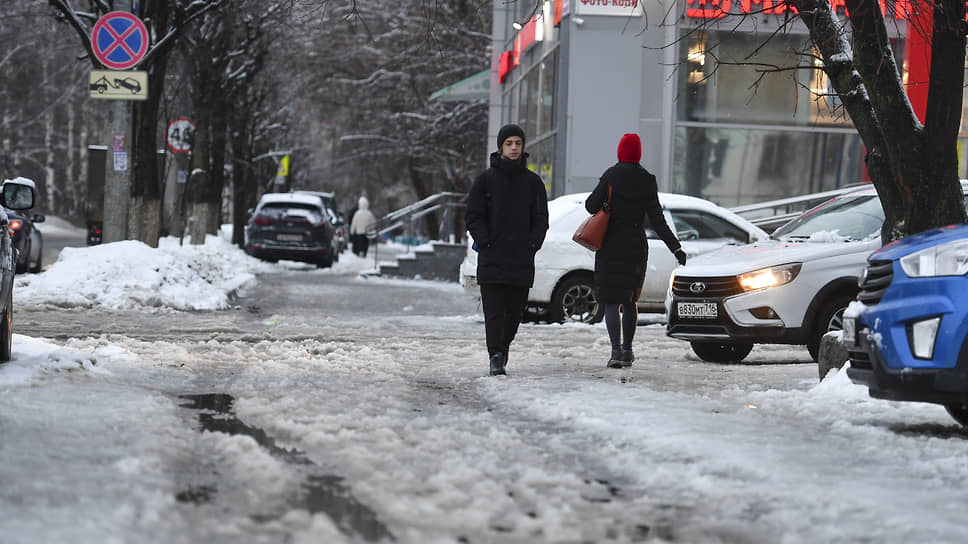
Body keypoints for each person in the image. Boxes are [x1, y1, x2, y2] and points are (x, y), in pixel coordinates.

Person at [585, 133, 686, 368]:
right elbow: (658, 220)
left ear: (620, 152)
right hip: (635, 248)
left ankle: (615, 352)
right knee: (630, 301)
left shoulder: (610, 176)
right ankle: (628, 351)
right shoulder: (647, 180)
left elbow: (591, 206)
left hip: (610, 246)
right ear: (638, 154)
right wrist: (676, 248)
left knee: (611, 302)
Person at [465, 123, 549, 376]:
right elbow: (473, 215)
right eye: (509, 143)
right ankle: (495, 355)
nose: (514, 148)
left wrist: (532, 244)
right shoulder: (486, 181)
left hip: (521, 259)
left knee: (513, 314)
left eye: (518, 143)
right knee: (494, 313)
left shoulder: (533, 183)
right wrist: (485, 240)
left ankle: (504, 347)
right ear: (501, 147)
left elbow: (541, 219)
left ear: (523, 147)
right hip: (492, 258)